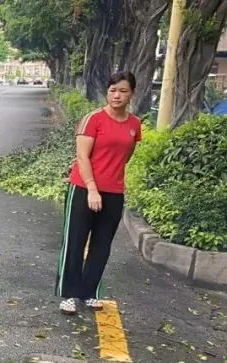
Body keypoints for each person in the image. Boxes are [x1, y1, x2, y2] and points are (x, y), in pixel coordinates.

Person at [56, 71, 142, 315]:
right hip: (83, 189)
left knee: (102, 245)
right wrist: (93, 188)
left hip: (114, 192)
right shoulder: (92, 119)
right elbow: (82, 157)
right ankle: (70, 294)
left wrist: (109, 182)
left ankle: (90, 292)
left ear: (131, 94)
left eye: (123, 91)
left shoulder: (135, 124)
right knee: (75, 242)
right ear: (107, 92)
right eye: (113, 90)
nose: (117, 95)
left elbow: (126, 156)